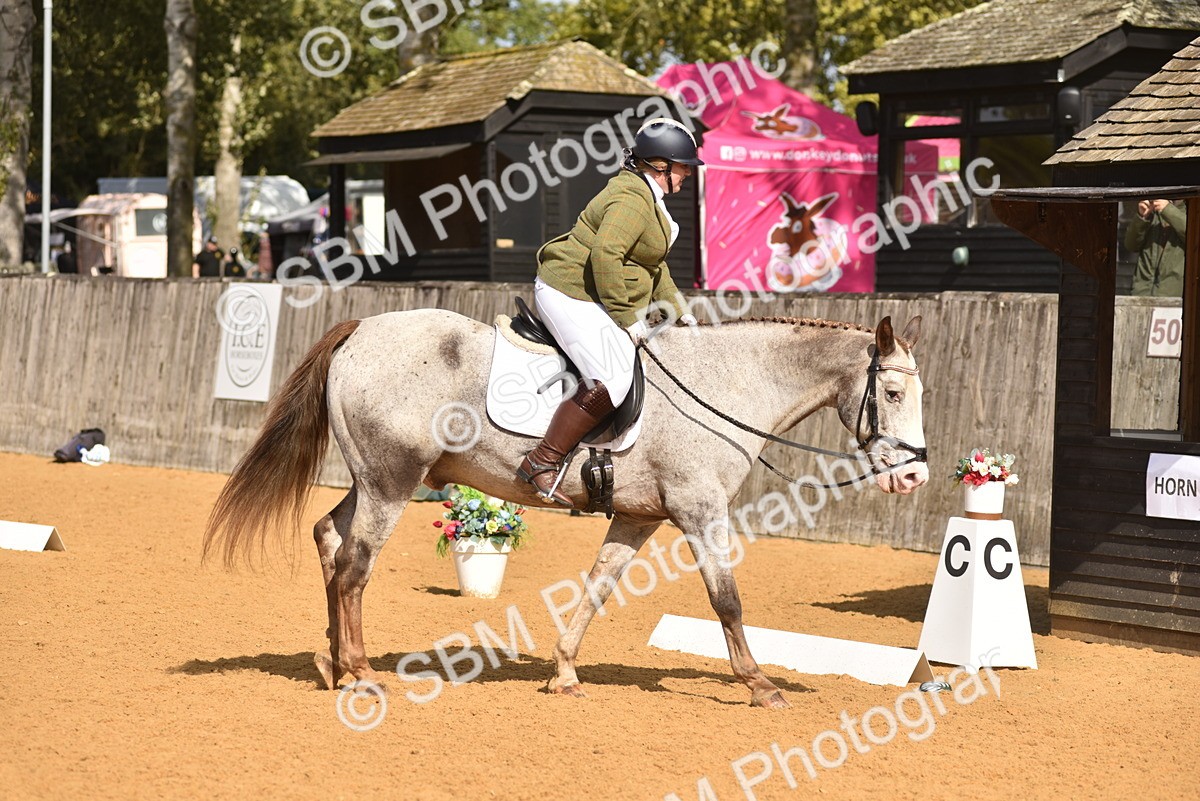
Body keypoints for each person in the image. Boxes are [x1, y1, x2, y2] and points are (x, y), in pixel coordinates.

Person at [516, 118, 701, 506]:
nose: (687, 175)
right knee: (613, 377)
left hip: (592, 293)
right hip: (568, 290)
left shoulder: (648, 199)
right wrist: (627, 317)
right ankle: (541, 460)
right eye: (683, 168)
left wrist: (679, 312)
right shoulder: (632, 199)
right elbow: (606, 255)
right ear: (660, 166)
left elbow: (654, 265)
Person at [1125, 199, 1186, 296]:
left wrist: (1168, 210)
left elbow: (1194, 236)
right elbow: (1131, 245)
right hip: (1142, 293)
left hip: (1173, 297)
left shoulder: (1191, 210)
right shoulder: (1153, 210)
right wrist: (1142, 216)